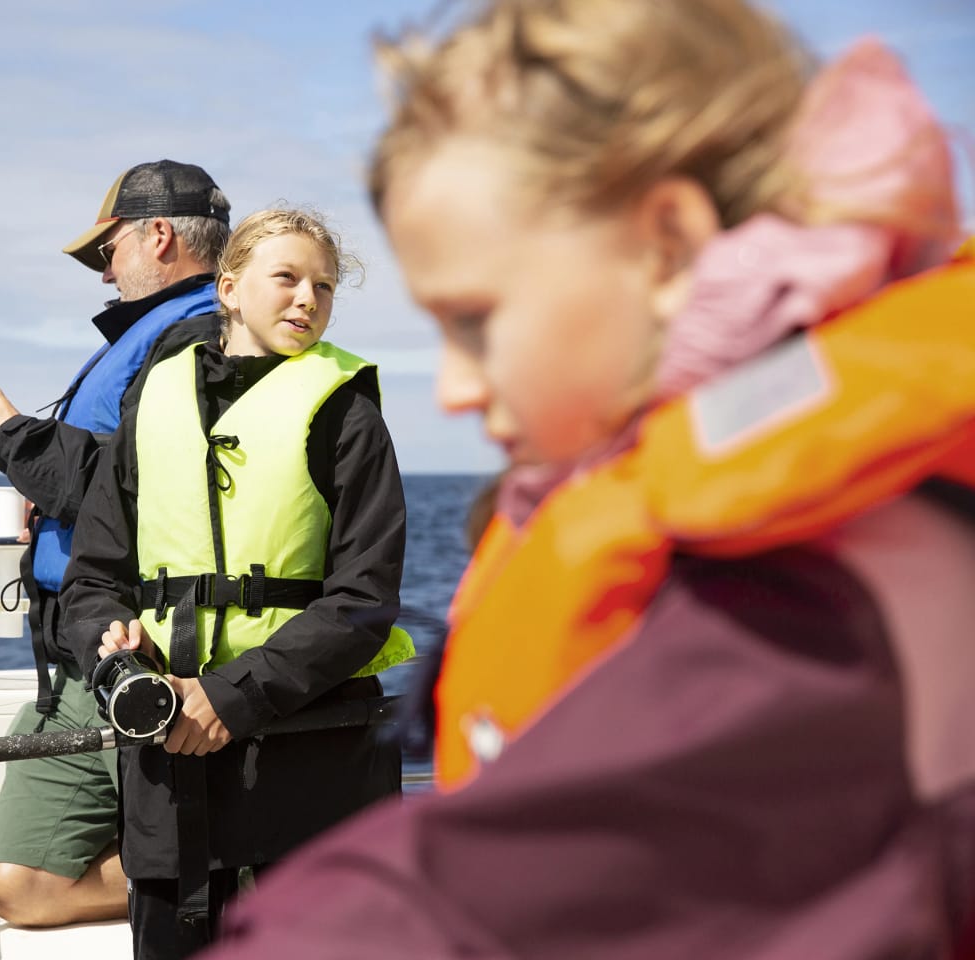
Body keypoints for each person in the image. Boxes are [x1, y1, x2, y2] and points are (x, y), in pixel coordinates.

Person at [200, 1, 975, 958]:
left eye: (476, 321)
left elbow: (470, 908)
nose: (452, 387)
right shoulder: (724, 499)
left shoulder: (809, 603)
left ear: (667, 247)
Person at [57, 207, 417, 959]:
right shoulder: (153, 403)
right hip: (167, 762)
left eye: (323, 286)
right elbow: (93, 577)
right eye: (285, 278)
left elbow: (364, 602)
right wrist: (113, 652)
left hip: (315, 759)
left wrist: (230, 696)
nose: (306, 300)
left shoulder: (347, 413)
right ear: (227, 287)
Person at [0, 159, 230, 927]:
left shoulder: (201, 340)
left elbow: (130, 485)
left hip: (136, 646)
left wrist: (9, 440)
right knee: (19, 882)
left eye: (108, 252)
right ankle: (218, 865)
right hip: (80, 657)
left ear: (160, 236)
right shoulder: (157, 334)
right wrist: (27, 462)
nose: (103, 274)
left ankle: (239, 871)